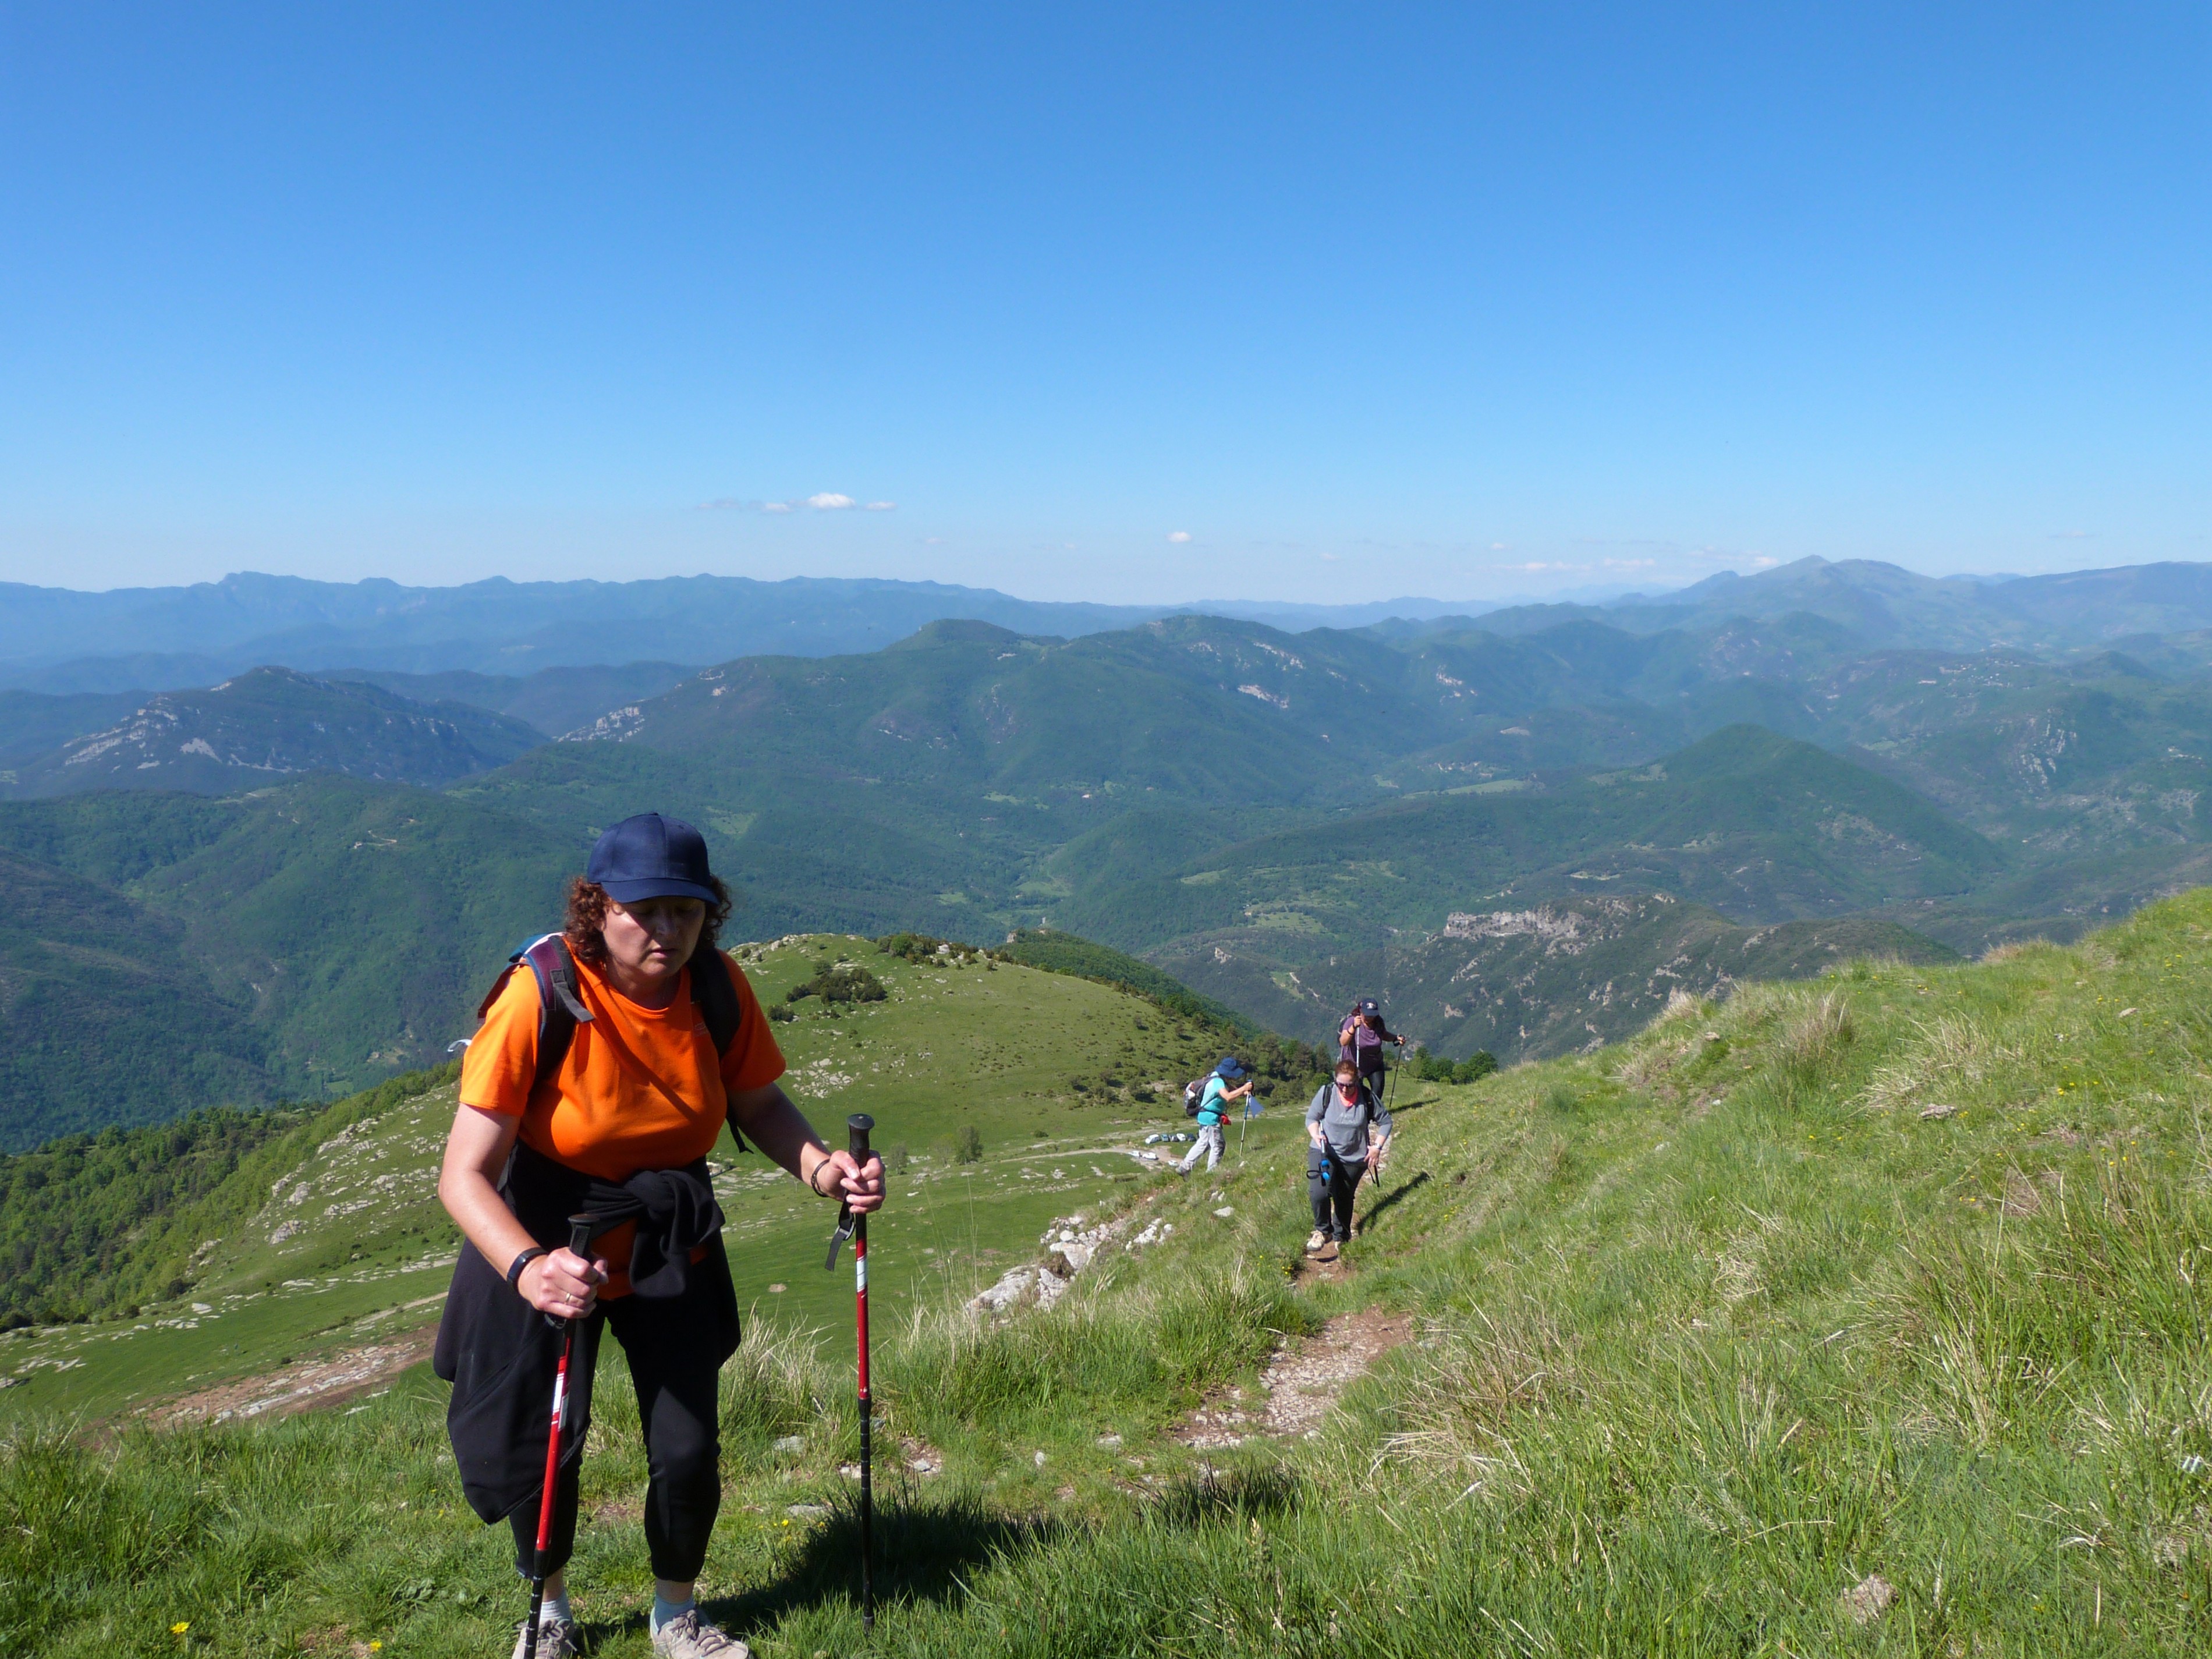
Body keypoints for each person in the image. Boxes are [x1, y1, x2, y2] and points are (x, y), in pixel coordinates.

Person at [433, 813, 885, 1659]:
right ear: (596, 908)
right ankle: (550, 1614)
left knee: (687, 1445)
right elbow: (463, 1173)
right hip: (547, 1228)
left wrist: (826, 1171)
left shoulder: (714, 987)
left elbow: (759, 1104)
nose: (666, 931)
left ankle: (674, 1615)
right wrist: (527, 1268)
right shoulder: (541, 994)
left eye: (686, 910)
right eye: (643, 911)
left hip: (670, 1231)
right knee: (544, 1442)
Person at [1305, 1058, 1392, 1254]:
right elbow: (1312, 1118)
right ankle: (1322, 1231)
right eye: (1341, 1085)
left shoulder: (1366, 1097)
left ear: (1357, 1081)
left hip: (1354, 1157)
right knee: (1319, 1193)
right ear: (1335, 1081)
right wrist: (1316, 1135)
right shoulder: (1326, 1093)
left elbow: (1386, 1122)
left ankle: (1342, 1237)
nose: (1345, 1089)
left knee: (1344, 1197)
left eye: (1350, 1085)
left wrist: (1377, 1147)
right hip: (1324, 1151)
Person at [1176, 1057, 1251, 1174]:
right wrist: (1244, 1088)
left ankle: (1184, 1168)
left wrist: (1243, 1092)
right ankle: (1212, 1172)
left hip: (1204, 1115)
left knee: (1203, 1143)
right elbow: (1228, 1097)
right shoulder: (1218, 1082)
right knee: (1218, 1145)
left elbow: (1229, 1089)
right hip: (1211, 1118)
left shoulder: (1214, 1076)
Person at [1338, 998, 1405, 1095]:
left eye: (1372, 1015)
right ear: (1361, 1011)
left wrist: (1395, 1038)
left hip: (1374, 1064)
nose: (1369, 1018)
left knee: (1378, 1091)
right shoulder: (1352, 1021)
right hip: (1354, 1065)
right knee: (1356, 1093)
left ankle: (1373, 1105)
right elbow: (1343, 1042)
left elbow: (1383, 1035)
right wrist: (1353, 1027)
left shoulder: (1378, 1023)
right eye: (1367, 1015)